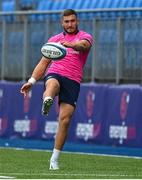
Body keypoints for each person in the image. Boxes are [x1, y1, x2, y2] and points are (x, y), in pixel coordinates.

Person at [20, 9, 93, 170]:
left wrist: (71, 44)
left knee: (65, 120)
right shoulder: (54, 40)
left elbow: (83, 46)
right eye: (66, 21)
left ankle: (54, 159)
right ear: (62, 23)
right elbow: (43, 63)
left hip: (73, 80)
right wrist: (31, 81)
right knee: (52, 84)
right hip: (55, 73)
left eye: (73, 21)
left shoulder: (85, 37)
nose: (70, 24)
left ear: (77, 21)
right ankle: (48, 100)